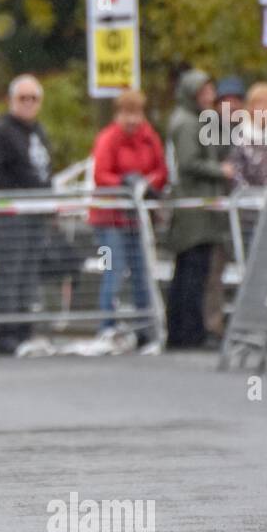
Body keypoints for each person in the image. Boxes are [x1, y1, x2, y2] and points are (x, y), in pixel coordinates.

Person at [89, 89, 168, 352]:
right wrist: (124, 182)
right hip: (110, 219)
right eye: (128, 113)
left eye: (137, 113)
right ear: (118, 114)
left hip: (136, 220)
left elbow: (161, 170)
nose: (133, 120)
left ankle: (145, 328)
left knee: (142, 273)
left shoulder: (149, 138)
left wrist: (147, 184)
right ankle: (107, 327)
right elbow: (101, 174)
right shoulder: (108, 139)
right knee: (114, 270)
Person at [0, 73, 54, 355]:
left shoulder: (39, 132)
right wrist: (19, 196)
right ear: (12, 101)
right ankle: (7, 334)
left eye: (34, 98)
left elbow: (45, 170)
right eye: (23, 98)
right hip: (10, 217)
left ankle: (25, 330)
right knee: (10, 273)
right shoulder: (0, 132)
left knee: (28, 273)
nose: (29, 103)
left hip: (36, 216)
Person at [165, 68, 232, 349]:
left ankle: (183, 331)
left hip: (198, 209)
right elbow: (189, 163)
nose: (211, 97)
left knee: (189, 272)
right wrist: (220, 170)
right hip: (195, 211)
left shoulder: (194, 120)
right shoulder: (188, 123)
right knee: (192, 273)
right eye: (204, 92)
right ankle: (188, 332)